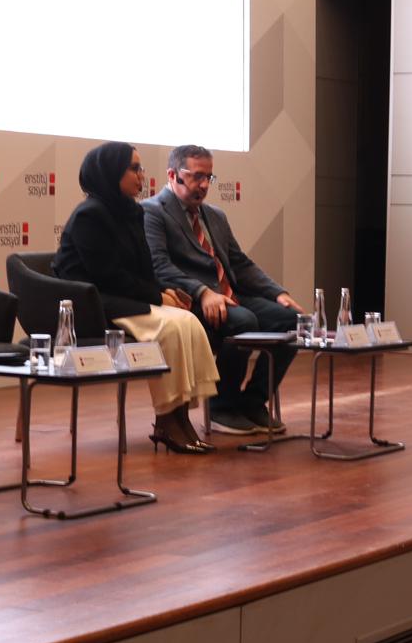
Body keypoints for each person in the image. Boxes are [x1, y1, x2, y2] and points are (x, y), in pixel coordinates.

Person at [53, 142, 220, 453]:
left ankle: (180, 416)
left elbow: (143, 267)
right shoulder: (90, 215)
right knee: (170, 327)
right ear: (110, 171)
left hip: (122, 296)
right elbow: (106, 275)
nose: (141, 175)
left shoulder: (132, 211)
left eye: (141, 168)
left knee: (187, 320)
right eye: (133, 168)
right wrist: (155, 296)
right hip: (94, 302)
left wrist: (164, 290)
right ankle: (166, 419)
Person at [142, 144, 300, 435]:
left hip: (228, 296)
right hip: (189, 301)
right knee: (243, 321)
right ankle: (222, 408)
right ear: (173, 175)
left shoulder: (215, 215)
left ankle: (252, 403)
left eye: (209, 177)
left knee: (292, 321)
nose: (204, 185)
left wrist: (277, 292)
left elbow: (240, 264)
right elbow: (159, 267)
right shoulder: (152, 211)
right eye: (197, 176)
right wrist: (202, 292)